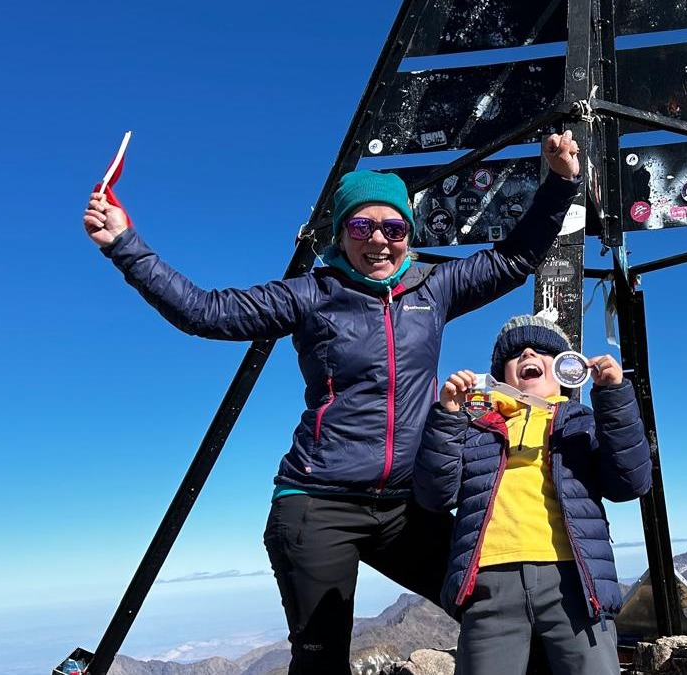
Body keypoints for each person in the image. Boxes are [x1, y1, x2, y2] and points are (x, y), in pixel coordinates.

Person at [81, 133, 582, 675]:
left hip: (407, 507)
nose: (378, 241)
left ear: (408, 236)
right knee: (321, 659)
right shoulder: (310, 295)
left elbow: (516, 257)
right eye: (361, 227)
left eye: (393, 228)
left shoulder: (433, 289)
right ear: (342, 233)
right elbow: (206, 312)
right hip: (318, 504)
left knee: (490, 604)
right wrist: (124, 244)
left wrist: (559, 181)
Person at [414, 315, 652, 675]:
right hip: (489, 582)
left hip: (576, 581)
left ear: (565, 370)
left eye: (544, 351)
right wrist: (448, 416)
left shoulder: (583, 421)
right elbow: (434, 494)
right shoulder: (476, 429)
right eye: (516, 353)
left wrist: (613, 396)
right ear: (500, 375)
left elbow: (630, 482)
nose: (528, 352)